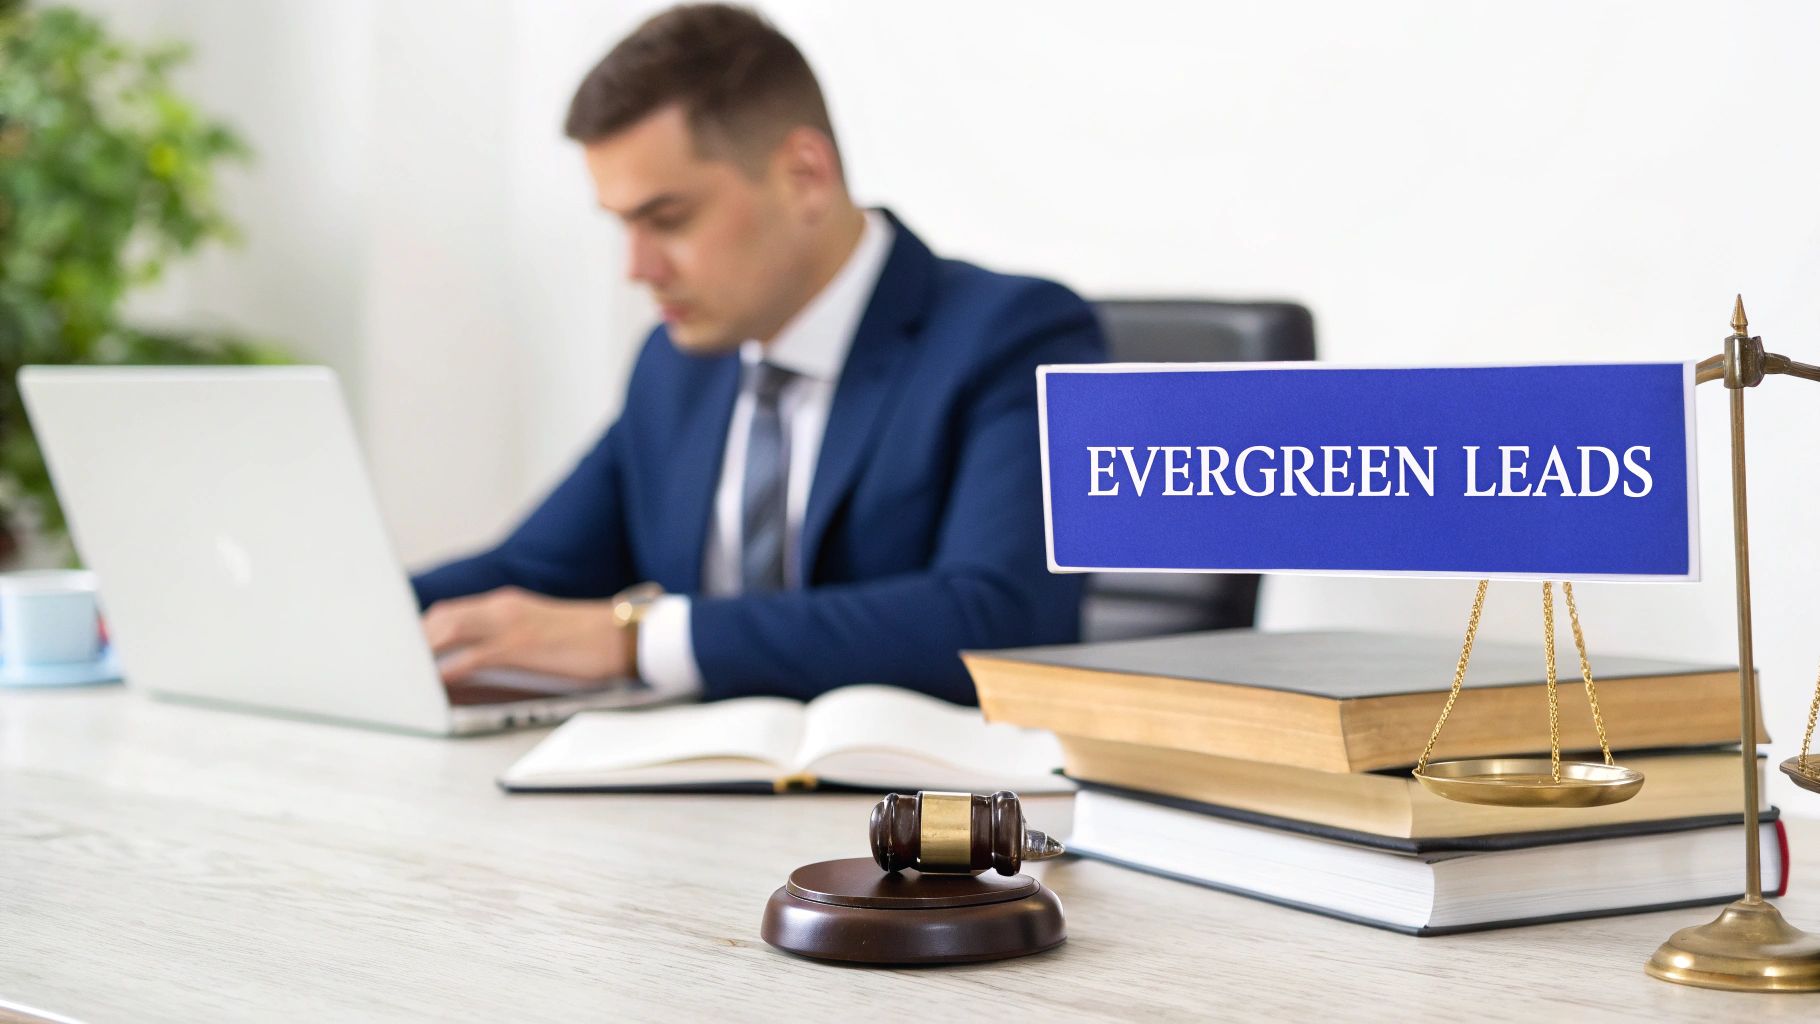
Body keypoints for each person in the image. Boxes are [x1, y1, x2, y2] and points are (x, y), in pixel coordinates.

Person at [412, 4, 1105, 705]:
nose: (637, 267)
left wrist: (637, 638)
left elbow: (1002, 619)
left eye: (668, 219)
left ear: (804, 175)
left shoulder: (1015, 335)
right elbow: (529, 572)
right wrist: (353, 614)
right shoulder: (675, 364)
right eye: (623, 226)